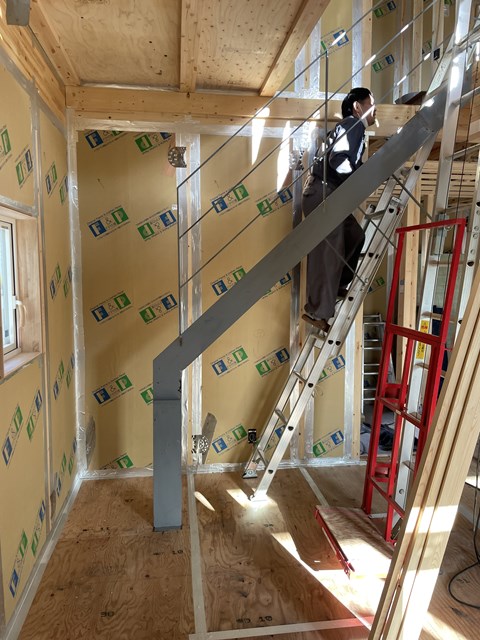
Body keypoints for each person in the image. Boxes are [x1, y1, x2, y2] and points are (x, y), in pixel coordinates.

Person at [302, 87, 377, 333]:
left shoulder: (353, 129)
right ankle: (317, 311)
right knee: (328, 252)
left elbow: (346, 163)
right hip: (323, 194)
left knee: (355, 235)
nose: (375, 109)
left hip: (329, 195)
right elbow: (339, 161)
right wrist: (359, 178)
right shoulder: (351, 125)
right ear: (357, 107)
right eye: (371, 103)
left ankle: (336, 287)